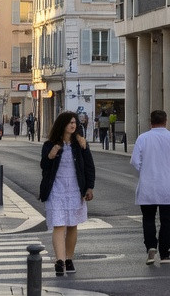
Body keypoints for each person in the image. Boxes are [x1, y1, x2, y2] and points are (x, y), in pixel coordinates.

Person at [39, 111, 96, 278]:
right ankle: (60, 261)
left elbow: (89, 167)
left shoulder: (80, 144)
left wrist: (89, 187)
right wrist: (50, 156)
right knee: (58, 224)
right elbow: (44, 166)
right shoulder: (50, 144)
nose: (73, 125)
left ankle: (69, 259)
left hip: (75, 190)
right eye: (70, 122)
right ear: (62, 124)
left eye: (75, 123)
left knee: (72, 225)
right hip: (56, 189)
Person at [131, 110, 170, 265]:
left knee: (148, 218)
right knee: (166, 221)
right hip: (168, 186)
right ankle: (165, 254)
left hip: (148, 185)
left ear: (150, 122)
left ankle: (151, 246)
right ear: (166, 121)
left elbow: (135, 161)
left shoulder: (143, 138)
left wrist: (145, 170)